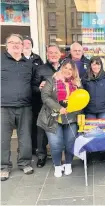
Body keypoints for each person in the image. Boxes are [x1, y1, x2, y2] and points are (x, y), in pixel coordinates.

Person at [37, 59, 80, 177]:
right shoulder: (52, 80)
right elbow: (45, 97)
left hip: (71, 118)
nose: (67, 70)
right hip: (53, 118)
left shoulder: (77, 84)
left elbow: (81, 99)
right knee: (55, 144)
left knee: (70, 143)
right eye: (65, 67)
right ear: (61, 68)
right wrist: (58, 107)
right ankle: (57, 165)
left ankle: (68, 164)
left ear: (73, 71)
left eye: (70, 69)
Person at [1, 34, 34, 181]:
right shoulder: (1, 60)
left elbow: (33, 83)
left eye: (18, 43)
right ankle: (4, 166)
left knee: (25, 137)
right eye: (12, 42)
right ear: (6, 45)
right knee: (3, 138)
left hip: (24, 106)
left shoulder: (28, 64)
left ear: (23, 46)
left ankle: (24, 162)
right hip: (4, 106)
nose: (15, 45)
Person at [32, 44, 62, 167]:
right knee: (42, 132)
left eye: (55, 53)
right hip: (45, 106)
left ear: (60, 54)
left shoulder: (65, 68)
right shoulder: (40, 69)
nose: (53, 55)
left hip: (61, 106)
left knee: (59, 131)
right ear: (47, 55)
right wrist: (38, 88)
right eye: (50, 53)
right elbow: (32, 86)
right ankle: (41, 156)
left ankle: (60, 154)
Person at [82, 56, 105, 162]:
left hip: (103, 110)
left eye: (98, 64)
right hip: (90, 110)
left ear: (101, 65)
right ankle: (91, 152)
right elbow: (82, 96)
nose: (96, 66)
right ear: (90, 65)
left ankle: (102, 152)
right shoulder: (85, 78)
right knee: (90, 133)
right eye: (94, 64)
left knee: (102, 132)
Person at [23, 35, 44, 155]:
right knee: (26, 125)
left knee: (36, 123)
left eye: (29, 43)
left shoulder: (37, 58)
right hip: (23, 95)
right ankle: (26, 148)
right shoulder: (18, 58)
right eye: (24, 43)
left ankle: (36, 147)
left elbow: (41, 74)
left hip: (36, 96)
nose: (27, 45)